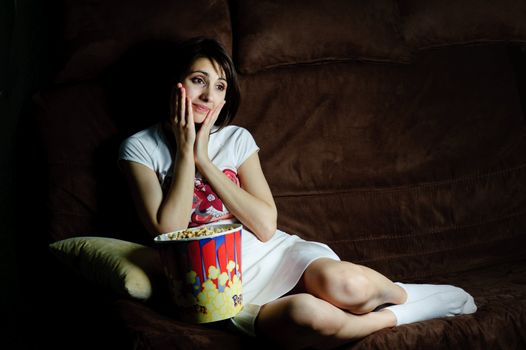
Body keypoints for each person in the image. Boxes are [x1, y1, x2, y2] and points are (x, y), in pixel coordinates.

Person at [118, 37, 477, 349]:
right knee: (308, 317)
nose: (209, 96)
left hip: (275, 255)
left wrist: (205, 161)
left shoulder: (236, 139)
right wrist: (185, 152)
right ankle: (403, 314)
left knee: (348, 286)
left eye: (221, 86)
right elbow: (167, 232)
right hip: (223, 288)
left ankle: (401, 294)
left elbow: (265, 225)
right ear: (175, 83)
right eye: (199, 81)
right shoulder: (140, 148)